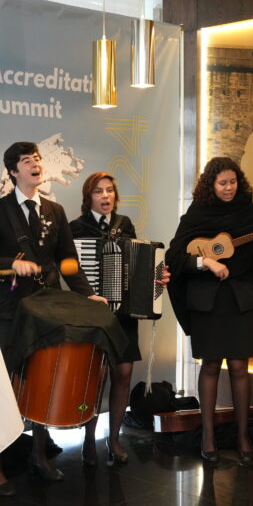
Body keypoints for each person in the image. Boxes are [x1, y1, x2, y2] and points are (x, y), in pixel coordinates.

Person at [0, 142, 105, 488]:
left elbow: (67, 260)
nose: (34, 164)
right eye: (25, 160)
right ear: (12, 172)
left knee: (42, 381)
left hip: (48, 308)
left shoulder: (55, 210)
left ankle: (39, 454)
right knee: (4, 385)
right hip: (7, 309)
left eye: (36, 158)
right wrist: (10, 263)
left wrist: (87, 293)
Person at [166, 156, 253, 464]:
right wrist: (206, 262)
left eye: (233, 182)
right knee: (210, 365)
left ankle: (243, 436)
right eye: (222, 183)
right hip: (207, 300)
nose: (229, 188)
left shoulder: (252, 214)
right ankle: (209, 435)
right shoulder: (197, 213)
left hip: (240, 298)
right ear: (210, 185)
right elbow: (175, 255)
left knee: (240, 367)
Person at [69, 172, 170, 467]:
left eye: (110, 191)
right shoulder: (77, 228)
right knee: (94, 378)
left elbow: (139, 266)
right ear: (89, 197)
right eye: (99, 191)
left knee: (123, 374)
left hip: (124, 314)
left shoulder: (124, 225)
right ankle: (88, 437)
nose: (105, 196)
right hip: (92, 315)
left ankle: (114, 438)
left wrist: (157, 278)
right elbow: (70, 270)